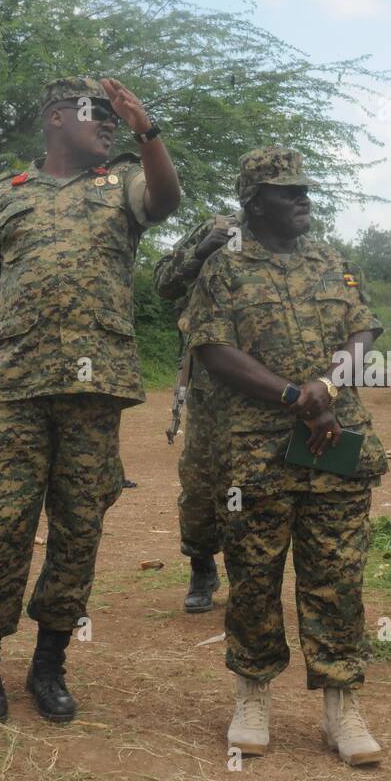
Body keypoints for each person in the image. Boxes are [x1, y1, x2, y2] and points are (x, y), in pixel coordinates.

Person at [0, 76, 179, 722]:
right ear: (53, 118)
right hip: (16, 384)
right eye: (94, 114)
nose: (106, 123)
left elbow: (165, 200)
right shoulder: (1, 197)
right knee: (3, 520)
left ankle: (49, 662)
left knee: (78, 528)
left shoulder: (122, 182)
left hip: (93, 389)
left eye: (111, 117)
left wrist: (145, 129)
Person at [183, 146, 387, 766]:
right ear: (255, 202)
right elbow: (214, 349)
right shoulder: (225, 269)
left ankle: (342, 706)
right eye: (287, 191)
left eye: (305, 190)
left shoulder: (332, 262)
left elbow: (363, 330)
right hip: (257, 453)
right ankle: (252, 695)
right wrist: (299, 396)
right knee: (252, 576)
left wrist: (328, 387)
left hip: (335, 445)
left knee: (337, 579)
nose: (303, 200)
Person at [153, 218, 237, 613]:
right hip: (208, 383)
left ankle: (249, 573)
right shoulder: (215, 228)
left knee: (255, 483)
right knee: (201, 480)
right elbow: (164, 283)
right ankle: (201, 566)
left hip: (269, 384)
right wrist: (202, 249)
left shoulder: (289, 240)